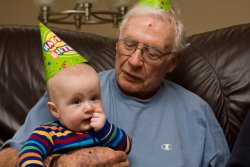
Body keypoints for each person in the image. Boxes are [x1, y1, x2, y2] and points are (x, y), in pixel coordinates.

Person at [0, 1, 230, 167]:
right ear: (117, 40)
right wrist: (60, 164)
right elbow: (7, 159)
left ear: (172, 62)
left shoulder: (197, 114)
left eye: (153, 52)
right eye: (129, 44)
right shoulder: (72, 92)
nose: (135, 61)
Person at [17, 24, 131, 167]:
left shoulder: (101, 131)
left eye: (94, 98)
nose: (89, 107)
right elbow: (28, 154)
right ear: (55, 110)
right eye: (77, 101)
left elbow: (126, 146)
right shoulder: (48, 133)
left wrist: (106, 128)